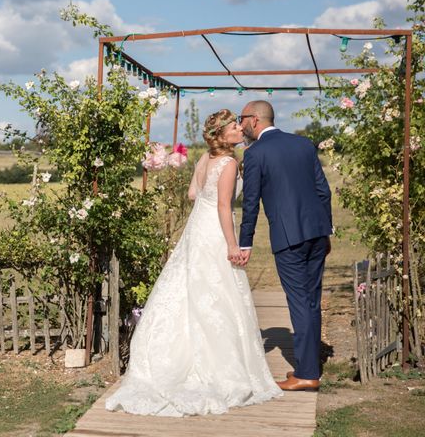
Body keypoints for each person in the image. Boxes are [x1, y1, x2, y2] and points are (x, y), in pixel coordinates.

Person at [105, 109, 283, 417]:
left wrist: (208, 198)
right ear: (221, 135)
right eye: (233, 128)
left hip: (196, 229)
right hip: (215, 232)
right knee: (216, 295)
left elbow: (192, 194)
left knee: (188, 290)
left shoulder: (204, 160)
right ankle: (215, 367)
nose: (240, 130)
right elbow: (224, 207)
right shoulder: (228, 164)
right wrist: (232, 244)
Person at [236, 100, 332, 392]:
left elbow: (250, 203)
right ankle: (309, 365)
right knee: (311, 299)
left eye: (242, 120)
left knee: (299, 301)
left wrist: (245, 243)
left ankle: (306, 373)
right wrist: (326, 231)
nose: (240, 126)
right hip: (317, 233)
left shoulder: (255, 154)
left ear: (254, 120)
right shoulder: (304, 145)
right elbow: (323, 191)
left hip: (289, 239)